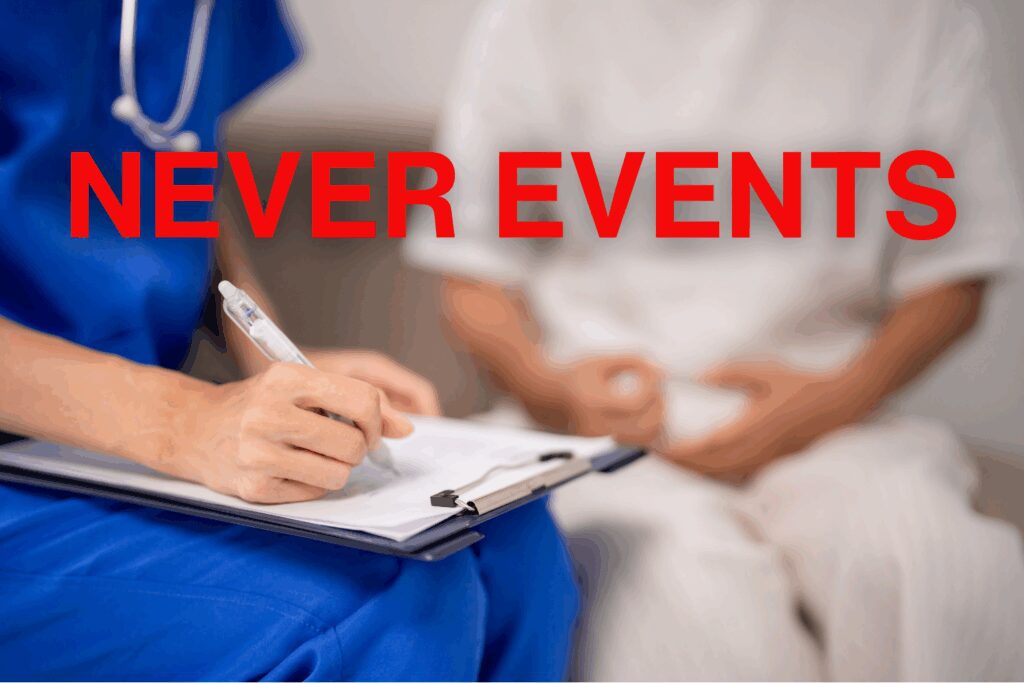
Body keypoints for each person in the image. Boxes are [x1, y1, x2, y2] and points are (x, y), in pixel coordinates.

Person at [406, 0, 1024, 679]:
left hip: (838, 419)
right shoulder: (533, 18)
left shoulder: (920, 17)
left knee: (939, 568)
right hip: (606, 437)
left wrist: (837, 398)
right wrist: (553, 389)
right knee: (691, 607)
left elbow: (955, 274)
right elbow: (471, 273)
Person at [0, 1, 577, 679]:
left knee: (513, 543)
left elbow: (172, 156)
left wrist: (275, 360)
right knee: (378, 608)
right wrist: (184, 420)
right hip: (45, 450)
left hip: (123, 440)